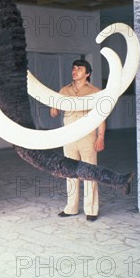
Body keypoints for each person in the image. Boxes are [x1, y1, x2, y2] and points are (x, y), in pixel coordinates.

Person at [50, 59, 105, 222]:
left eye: (79, 69)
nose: (75, 71)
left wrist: (101, 136)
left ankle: (91, 209)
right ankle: (72, 208)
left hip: (88, 136)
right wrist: (53, 108)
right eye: (74, 68)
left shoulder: (95, 92)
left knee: (89, 172)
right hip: (69, 136)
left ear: (87, 74)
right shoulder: (64, 90)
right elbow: (54, 111)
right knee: (70, 172)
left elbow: (101, 115)